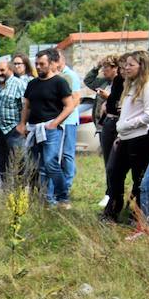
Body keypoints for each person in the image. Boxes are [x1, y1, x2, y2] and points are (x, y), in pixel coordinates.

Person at [17, 49, 78, 207]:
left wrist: (55, 123)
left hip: (51, 129)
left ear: (51, 64)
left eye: (42, 64)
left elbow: (69, 105)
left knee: (50, 162)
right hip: (34, 128)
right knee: (38, 165)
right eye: (36, 64)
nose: (38, 66)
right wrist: (22, 123)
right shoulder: (32, 84)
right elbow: (27, 106)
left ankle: (62, 195)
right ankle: (46, 199)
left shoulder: (60, 82)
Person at [103, 50, 149, 224]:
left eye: (131, 64)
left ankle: (136, 216)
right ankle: (112, 212)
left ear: (142, 66)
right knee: (114, 174)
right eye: (125, 64)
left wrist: (126, 125)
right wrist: (121, 133)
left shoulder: (147, 86)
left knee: (138, 179)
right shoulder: (129, 85)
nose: (126, 68)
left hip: (140, 139)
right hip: (124, 138)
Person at [0, 58, 30, 186]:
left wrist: (22, 124)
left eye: (2, 70)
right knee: (2, 164)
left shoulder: (19, 84)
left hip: (14, 130)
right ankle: (7, 193)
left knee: (19, 163)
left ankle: (21, 193)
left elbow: (26, 105)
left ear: (10, 70)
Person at [54, 48, 82, 200]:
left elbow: (76, 98)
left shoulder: (70, 75)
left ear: (61, 60)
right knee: (59, 154)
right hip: (59, 119)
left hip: (69, 120)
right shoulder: (56, 76)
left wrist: (65, 114)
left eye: (56, 60)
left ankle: (67, 185)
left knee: (67, 154)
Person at [88, 55, 123, 171]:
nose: (103, 70)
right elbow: (88, 81)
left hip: (116, 124)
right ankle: (110, 187)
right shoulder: (104, 82)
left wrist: (108, 97)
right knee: (108, 163)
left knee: (115, 164)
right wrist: (96, 66)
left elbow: (121, 103)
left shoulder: (122, 83)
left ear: (115, 68)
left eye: (106, 67)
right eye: (102, 67)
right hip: (102, 125)